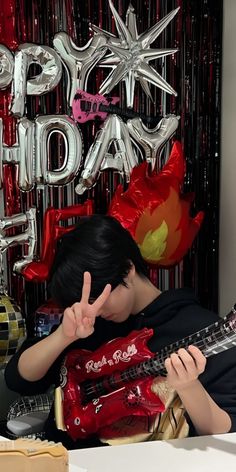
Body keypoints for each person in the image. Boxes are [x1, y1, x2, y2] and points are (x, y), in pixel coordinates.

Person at [5, 215, 236, 449]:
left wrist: (189, 387)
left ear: (127, 269)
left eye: (98, 298)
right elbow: (19, 380)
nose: (95, 310)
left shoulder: (202, 331)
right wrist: (63, 336)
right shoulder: (88, 324)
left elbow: (225, 434)